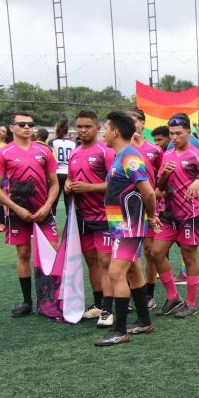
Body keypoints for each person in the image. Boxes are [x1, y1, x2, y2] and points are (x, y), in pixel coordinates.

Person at [95, 111, 160, 346]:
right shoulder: (119, 155)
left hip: (129, 227)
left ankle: (119, 329)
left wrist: (151, 216)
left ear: (115, 132)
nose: (103, 131)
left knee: (116, 274)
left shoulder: (130, 157)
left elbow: (149, 192)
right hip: (120, 226)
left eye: (105, 127)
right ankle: (144, 321)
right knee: (133, 272)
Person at [0, 111, 60, 316]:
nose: (27, 127)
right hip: (18, 212)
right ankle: (27, 302)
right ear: (12, 128)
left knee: (51, 251)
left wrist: (47, 206)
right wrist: (16, 208)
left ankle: (50, 300)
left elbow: (54, 184)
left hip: (43, 211)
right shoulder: (3, 153)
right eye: (21, 124)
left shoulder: (44, 151)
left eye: (30, 124)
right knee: (23, 254)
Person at [150, 114, 199, 318]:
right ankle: (173, 297)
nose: (175, 137)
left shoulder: (198, 155)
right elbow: (159, 189)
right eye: (172, 134)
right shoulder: (167, 155)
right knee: (156, 252)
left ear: (188, 132)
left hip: (190, 213)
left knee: (189, 257)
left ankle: (191, 304)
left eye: (179, 133)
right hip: (168, 213)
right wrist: (164, 177)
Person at [65, 110, 115, 322]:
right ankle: (99, 303)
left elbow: (116, 185)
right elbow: (70, 178)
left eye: (87, 126)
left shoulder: (106, 151)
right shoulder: (74, 153)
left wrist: (88, 187)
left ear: (98, 128)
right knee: (91, 260)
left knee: (105, 261)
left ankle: (110, 309)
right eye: (80, 126)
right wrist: (68, 185)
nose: (83, 130)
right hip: (82, 216)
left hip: (104, 215)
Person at [126, 108, 163, 309]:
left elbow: (162, 178)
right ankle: (131, 293)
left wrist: (156, 197)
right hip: (126, 208)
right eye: (128, 122)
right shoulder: (121, 149)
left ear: (143, 124)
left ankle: (148, 295)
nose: (132, 125)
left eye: (135, 121)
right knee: (128, 254)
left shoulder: (154, 150)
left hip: (148, 206)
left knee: (149, 252)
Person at [49, 118, 76, 217]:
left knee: (53, 201)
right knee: (68, 203)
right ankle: (69, 228)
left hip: (56, 174)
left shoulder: (52, 142)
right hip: (69, 175)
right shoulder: (73, 144)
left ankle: (52, 227)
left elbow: (50, 159)